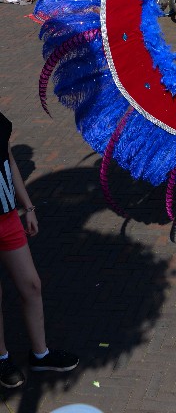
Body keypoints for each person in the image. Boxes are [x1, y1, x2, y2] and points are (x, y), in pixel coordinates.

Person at [0, 109, 79, 388]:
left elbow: (8, 161)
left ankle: (40, 354)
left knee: (31, 284)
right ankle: (2, 358)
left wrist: (28, 206)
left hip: (7, 217)